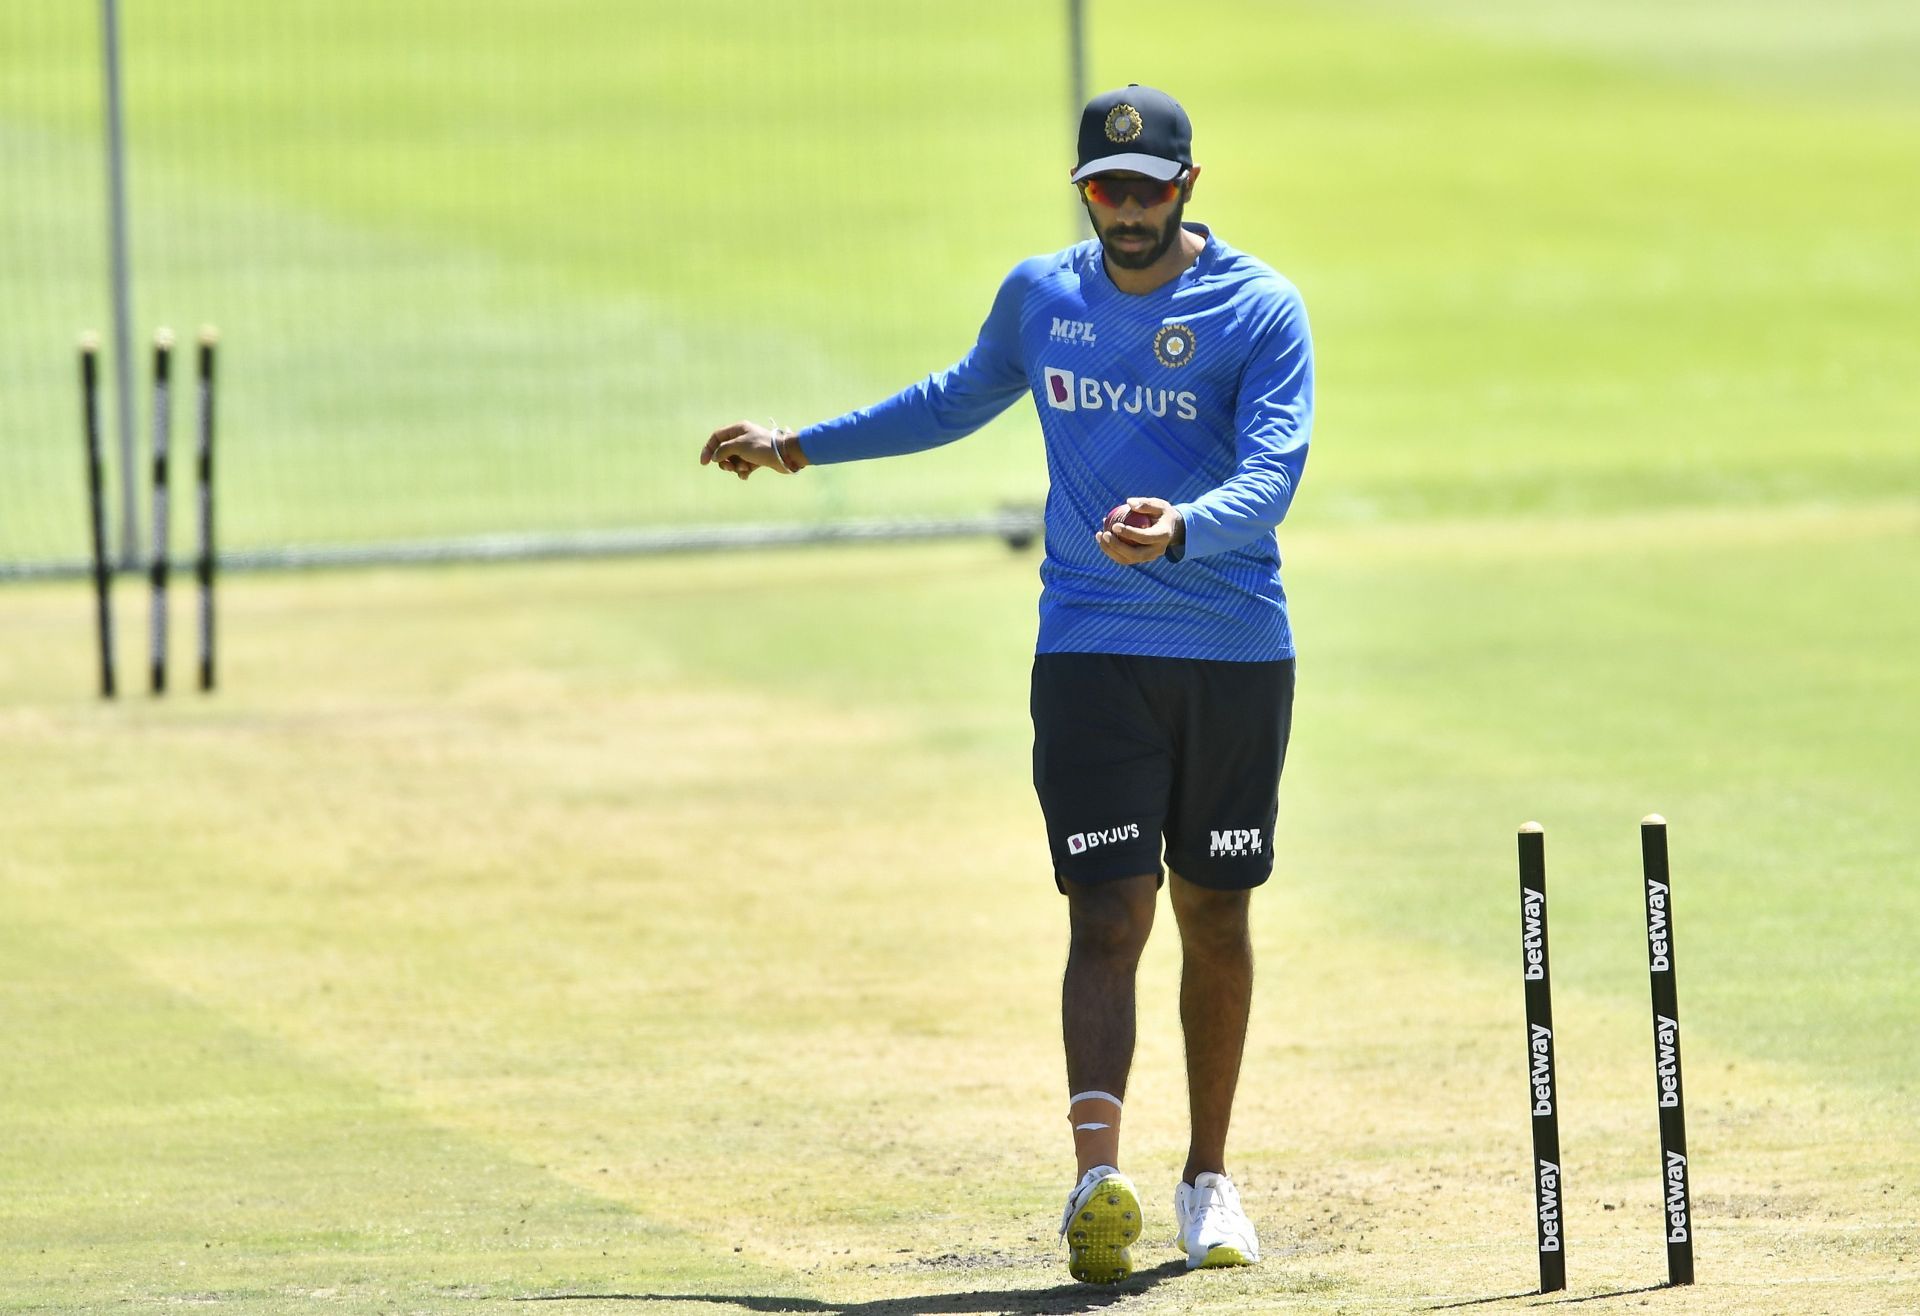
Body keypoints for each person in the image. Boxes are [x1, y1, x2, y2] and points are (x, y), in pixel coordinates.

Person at [699, 84, 1312, 1285]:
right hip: (1087, 645)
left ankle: (1209, 1177)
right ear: (1082, 190)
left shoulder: (1259, 306)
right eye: (1104, 190)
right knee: (1106, 909)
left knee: (1215, 910)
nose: (1124, 211)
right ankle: (1097, 1176)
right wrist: (797, 445)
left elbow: (1276, 472)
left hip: (1232, 648)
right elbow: (952, 398)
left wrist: (1183, 524)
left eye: (1146, 190)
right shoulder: (1043, 297)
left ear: (1188, 186)